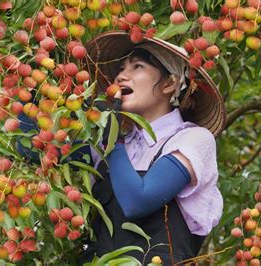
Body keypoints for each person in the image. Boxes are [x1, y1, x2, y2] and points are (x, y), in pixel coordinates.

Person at [78, 31, 226, 265]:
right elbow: (40, 152)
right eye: (120, 68)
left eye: (137, 67)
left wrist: (113, 137)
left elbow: (138, 201)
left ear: (169, 83)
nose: (121, 77)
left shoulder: (193, 139)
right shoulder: (109, 144)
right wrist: (33, 89)